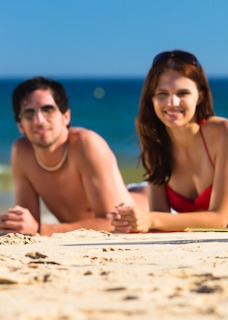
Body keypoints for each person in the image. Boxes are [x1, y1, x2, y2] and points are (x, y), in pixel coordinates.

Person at [110, 50, 228, 232]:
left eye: (183, 93)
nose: (172, 102)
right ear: (151, 98)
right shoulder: (156, 142)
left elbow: (220, 219)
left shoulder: (226, 132)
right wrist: (132, 222)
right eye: (162, 94)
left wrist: (150, 220)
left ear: (199, 96)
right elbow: (161, 219)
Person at [0, 76, 146, 235]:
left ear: (66, 116)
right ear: (20, 125)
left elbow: (115, 223)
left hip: (155, 207)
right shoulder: (21, 152)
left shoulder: (86, 144)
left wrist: (42, 229)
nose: (39, 120)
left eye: (48, 110)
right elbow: (27, 225)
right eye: (29, 114)